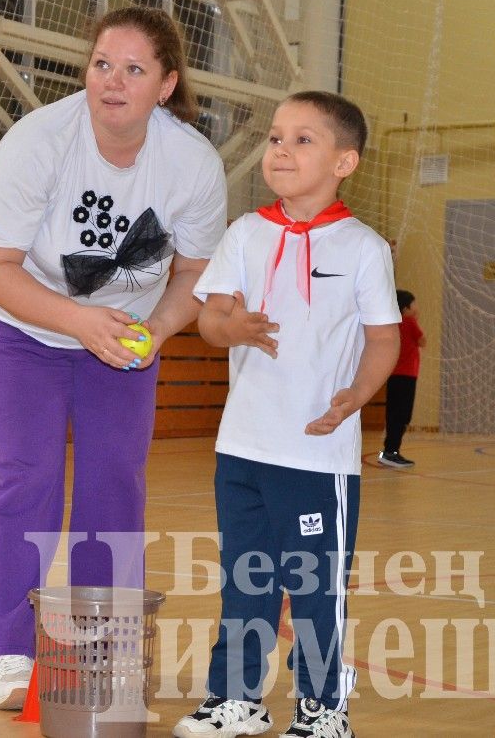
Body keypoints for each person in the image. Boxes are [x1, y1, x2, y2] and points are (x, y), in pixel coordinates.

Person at [0, 6, 227, 710]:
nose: (112, 82)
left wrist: (159, 332)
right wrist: (78, 321)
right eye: (101, 65)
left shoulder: (192, 164)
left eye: (134, 69)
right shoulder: (39, 141)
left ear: (166, 84)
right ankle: (11, 649)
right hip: (23, 325)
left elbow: (195, 276)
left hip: (122, 338)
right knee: (22, 476)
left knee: (115, 484)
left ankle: (99, 645)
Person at [174, 91, 400, 738]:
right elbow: (209, 317)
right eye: (276, 137)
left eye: (304, 139)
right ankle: (236, 698)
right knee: (245, 580)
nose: (282, 149)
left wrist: (357, 394)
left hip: (313, 456)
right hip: (241, 449)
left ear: (345, 161)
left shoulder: (362, 248)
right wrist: (230, 325)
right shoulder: (245, 234)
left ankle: (324, 709)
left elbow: (384, 338)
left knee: (314, 590)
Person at [378, 289, 425, 468]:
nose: (417, 307)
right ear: (406, 307)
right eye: (414, 304)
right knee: (403, 416)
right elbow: (423, 341)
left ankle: (389, 451)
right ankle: (391, 452)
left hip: (394, 375)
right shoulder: (410, 322)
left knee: (393, 414)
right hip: (407, 376)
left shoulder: (394, 323)